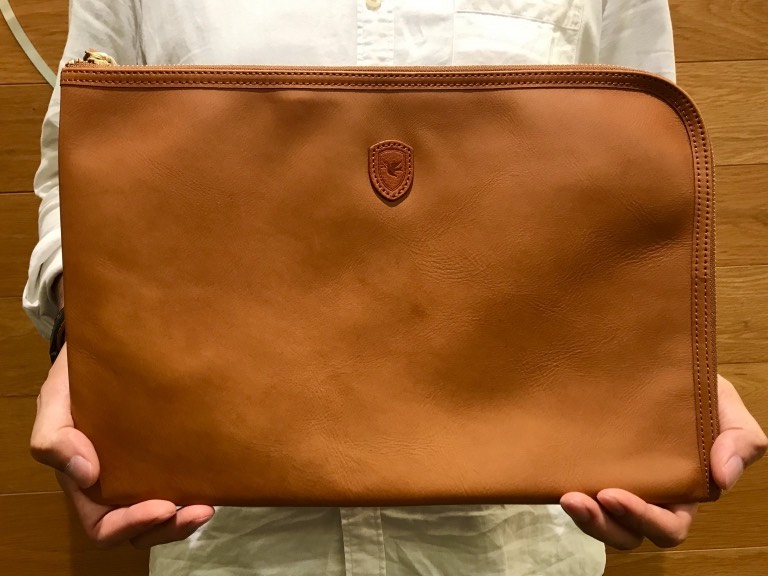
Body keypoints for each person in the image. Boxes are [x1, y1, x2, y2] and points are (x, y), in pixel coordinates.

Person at [24, 1, 767, 575]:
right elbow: (87, 162)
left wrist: (667, 369)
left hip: (516, 535)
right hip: (226, 525)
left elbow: (638, 182)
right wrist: (82, 342)